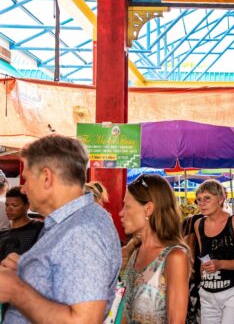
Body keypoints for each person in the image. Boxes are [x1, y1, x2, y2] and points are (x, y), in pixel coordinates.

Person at [0, 135, 121, 324]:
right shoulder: (70, 223)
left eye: (27, 179)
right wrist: (26, 270)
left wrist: (16, 290)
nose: (23, 189)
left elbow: (84, 320)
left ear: (47, 178)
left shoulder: (83, 231)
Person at [121, 174, 190, 324]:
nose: (121, 213)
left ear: (148, 209)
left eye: (127, 207)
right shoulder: (135, 252)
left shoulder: (175, 256)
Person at [194, 179, 234, 324]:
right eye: (199, 200)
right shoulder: (198, 224)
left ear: (221, 199)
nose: (202, 203)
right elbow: (204, 255)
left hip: (233, 292)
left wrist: (220, 264)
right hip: (208, 292)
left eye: (207, 198)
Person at [0, 186, 44, 261]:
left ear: (26, 206)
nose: (9, 209)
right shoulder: (2, 233)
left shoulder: (39, 227)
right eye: (7, 205)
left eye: (14, 205)